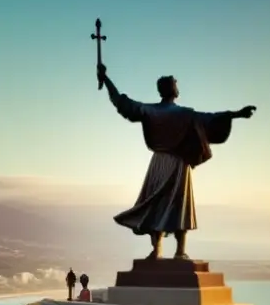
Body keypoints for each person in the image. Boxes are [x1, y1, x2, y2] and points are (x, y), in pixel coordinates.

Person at [100, 65, 256, 259]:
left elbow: (123, 103)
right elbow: (211, 119)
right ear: (171, 89)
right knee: (179, 205)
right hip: (179, 164)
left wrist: (106, 79)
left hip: (159, 163)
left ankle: (159, 250)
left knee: (157, 204)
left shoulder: (152, 111)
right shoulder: (184, 114)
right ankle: (179, 252)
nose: (177, 86)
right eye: (175, 84)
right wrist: (237, 114)